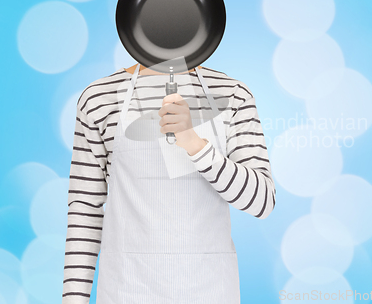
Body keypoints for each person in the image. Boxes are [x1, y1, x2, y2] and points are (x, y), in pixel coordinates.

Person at [61, 63, 276, 303]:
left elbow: (262, 202)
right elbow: (84, 210)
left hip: (209, 290)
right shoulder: (100, 97)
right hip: (127, 290)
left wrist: (195, 144)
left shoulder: (232, 94)